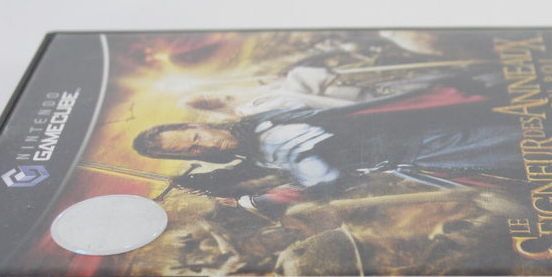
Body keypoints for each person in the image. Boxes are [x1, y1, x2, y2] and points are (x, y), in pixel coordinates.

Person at [133, 73, 519, 217]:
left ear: (197, 125)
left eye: (195, 137)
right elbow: (254, 163)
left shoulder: (268, 130)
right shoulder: (254, 145)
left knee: (530, 147)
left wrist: (259, 200)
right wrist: (214, 184)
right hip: (414, 159)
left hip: (428, 142)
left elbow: (322, 178)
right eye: (190, 151)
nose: (203, 146)